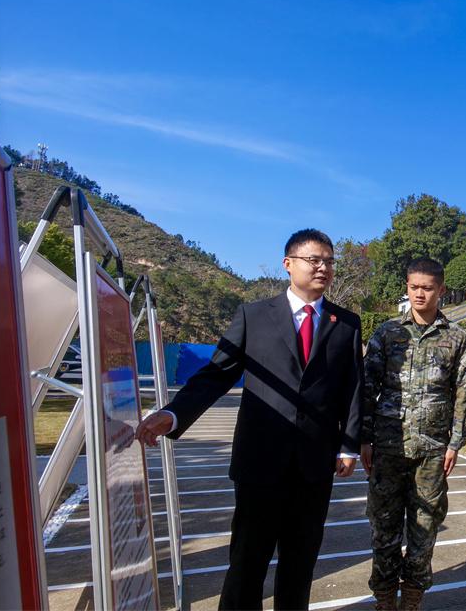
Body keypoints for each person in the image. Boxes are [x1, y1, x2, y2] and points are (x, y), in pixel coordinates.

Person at [135, 229, 364, 610]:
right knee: (247, 561)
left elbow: (352, 387)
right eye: (314, 260)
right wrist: (173, 413)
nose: (323, 267)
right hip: (260, 461)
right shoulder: (254, 316)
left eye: (329, 261)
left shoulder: (347, 323)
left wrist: (349, 445)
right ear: (288, 264)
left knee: (300, 562)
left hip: (313, 464)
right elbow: (217, 374)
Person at [361, 258, 466, 611]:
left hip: (432, 450)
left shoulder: (456, 337)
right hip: (388, 447)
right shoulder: (387, 333)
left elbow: (464, 394)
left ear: (441, 290)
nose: (420, 294)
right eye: (414, 287)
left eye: (427, 288)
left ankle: (412, 599)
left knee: (424, 531)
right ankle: (384, 600)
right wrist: (364, 438)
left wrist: (455, 443)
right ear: (407, 288)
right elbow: (367, 387)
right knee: (383, 530)